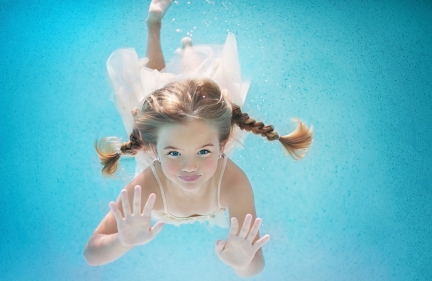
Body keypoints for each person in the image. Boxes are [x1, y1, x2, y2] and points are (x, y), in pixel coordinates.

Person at [83, 0, 313, 278]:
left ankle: (187, 50)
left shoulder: (233, 183)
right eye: (174, 154)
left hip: (193, 131)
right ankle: (154, 27)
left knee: (173, 80)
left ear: (223, 144)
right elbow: (91, 254)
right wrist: (122, 241)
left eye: (204, 152)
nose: (189, 167)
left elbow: (255, 266)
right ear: (154, 149)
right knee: (153, 83)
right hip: (168, 140)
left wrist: (241, 262)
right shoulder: (146, 185)